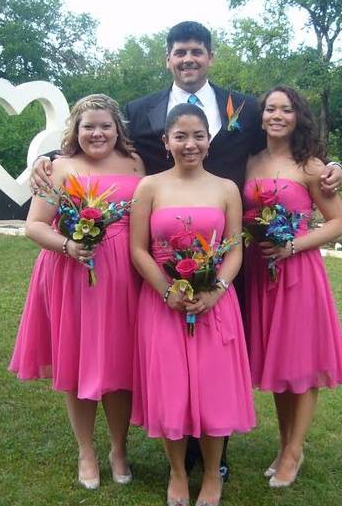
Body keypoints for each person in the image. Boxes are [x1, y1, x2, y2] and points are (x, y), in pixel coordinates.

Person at [30, 20, 342, 479]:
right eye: (180, 52)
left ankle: (217, 454)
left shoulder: (246, 108)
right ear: (168, 59)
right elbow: (99, 141)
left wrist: (330, 165)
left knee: (217, 353)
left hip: (230, 251)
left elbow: (288, 143)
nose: (189, 59)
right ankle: (179, 449)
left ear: (210, 57)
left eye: (197, 51)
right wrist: (50, 158)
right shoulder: (141, 111)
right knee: (173, 351)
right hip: (159, 254)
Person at [8, 94, 145, 490]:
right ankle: (86, 450)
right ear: (75, 131)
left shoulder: (136, 164)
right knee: (78, 362)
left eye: (105, 126)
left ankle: (118, 449)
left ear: (117, 128)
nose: (97, 133)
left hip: (123, 276)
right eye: (89, 127)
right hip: (72, 273)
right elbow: (35, 225)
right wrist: (70, 246)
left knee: (120, 367)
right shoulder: (59, 167)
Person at [129, 103, 254, 506]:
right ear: (166, 142)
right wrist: (167, 291)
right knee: (172, 390)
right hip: (163, 304)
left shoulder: (225, 188)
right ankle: (179, 474)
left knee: (214, 389)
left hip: (215, 304)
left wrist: (215, 290)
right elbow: (138, 250)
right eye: (180, 136)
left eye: (198, 135)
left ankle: (213, 476)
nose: (190, 144)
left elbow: (234, 249)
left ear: (209, 141)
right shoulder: (149, 187)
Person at [242, 85, 342, 488]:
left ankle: (294, 451)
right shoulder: (248, 161)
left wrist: (292, 245)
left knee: (301, 366)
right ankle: (285, 442)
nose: (277, 115)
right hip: (259, 273)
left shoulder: (311, 167)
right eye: (270, 108)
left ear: (297, 117)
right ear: (261, 116)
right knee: (278, 362)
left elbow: (338, 223)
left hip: (298, 273)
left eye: (285, 109)